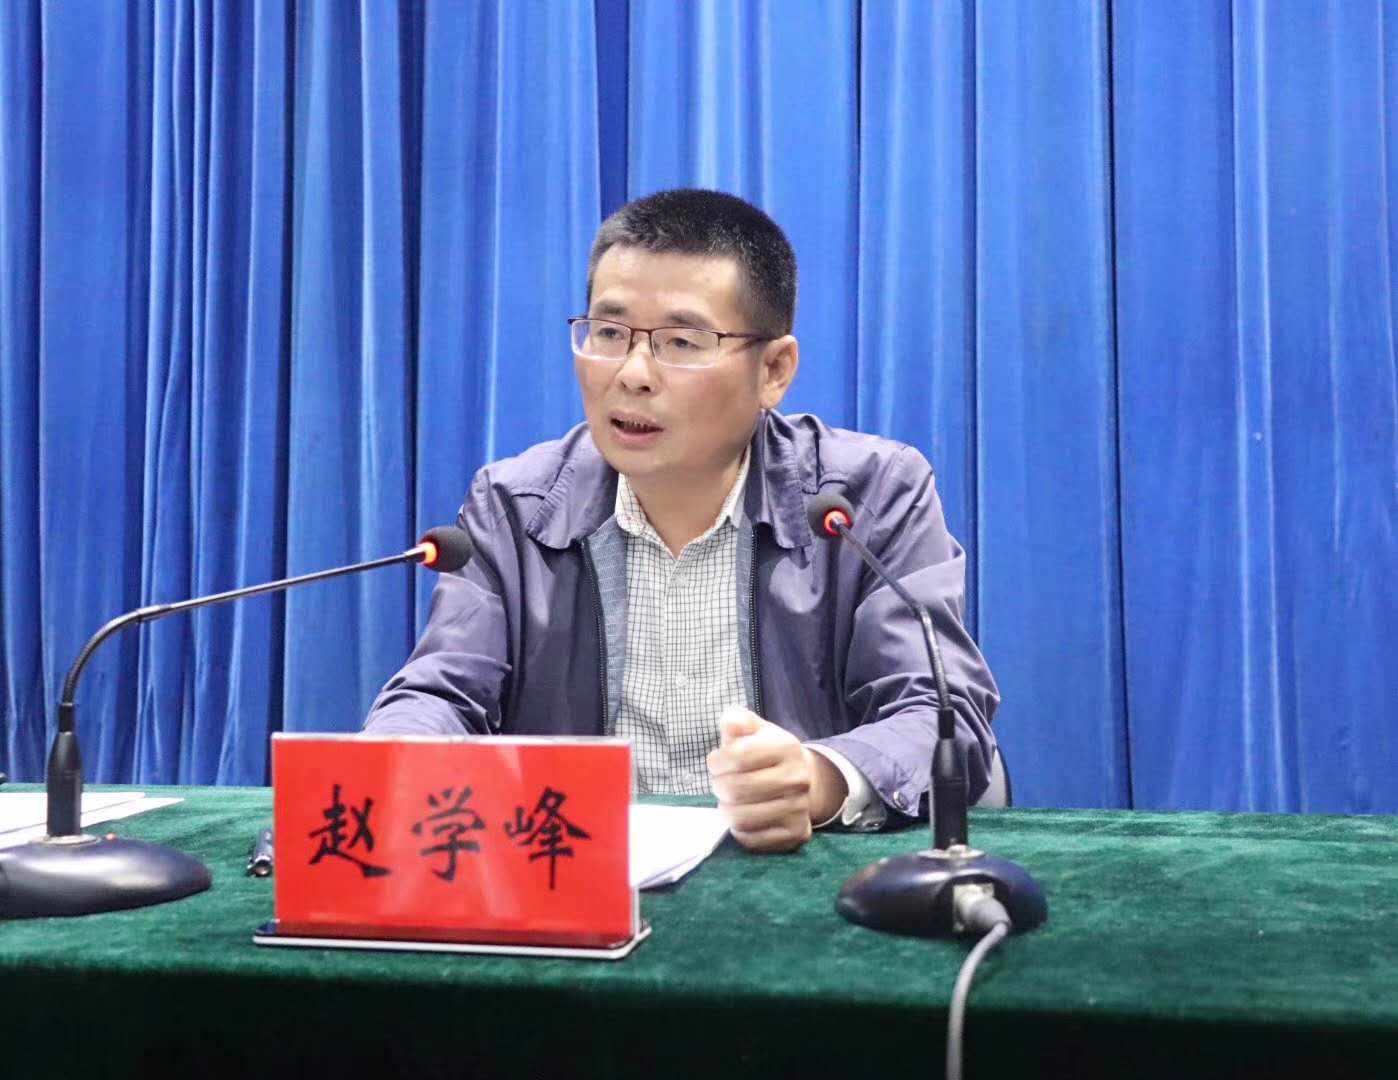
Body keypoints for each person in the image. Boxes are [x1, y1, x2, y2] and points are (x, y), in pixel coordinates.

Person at [364, 189, 999, 853]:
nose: (633, 374)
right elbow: (440, 693)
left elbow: (941, 712)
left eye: (681, 342)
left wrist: (819, 778)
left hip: (796, 881)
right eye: (609, 333)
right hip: (583, 875)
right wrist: (387, 769)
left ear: (773, 370)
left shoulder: (865, 498)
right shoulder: (515, 506)